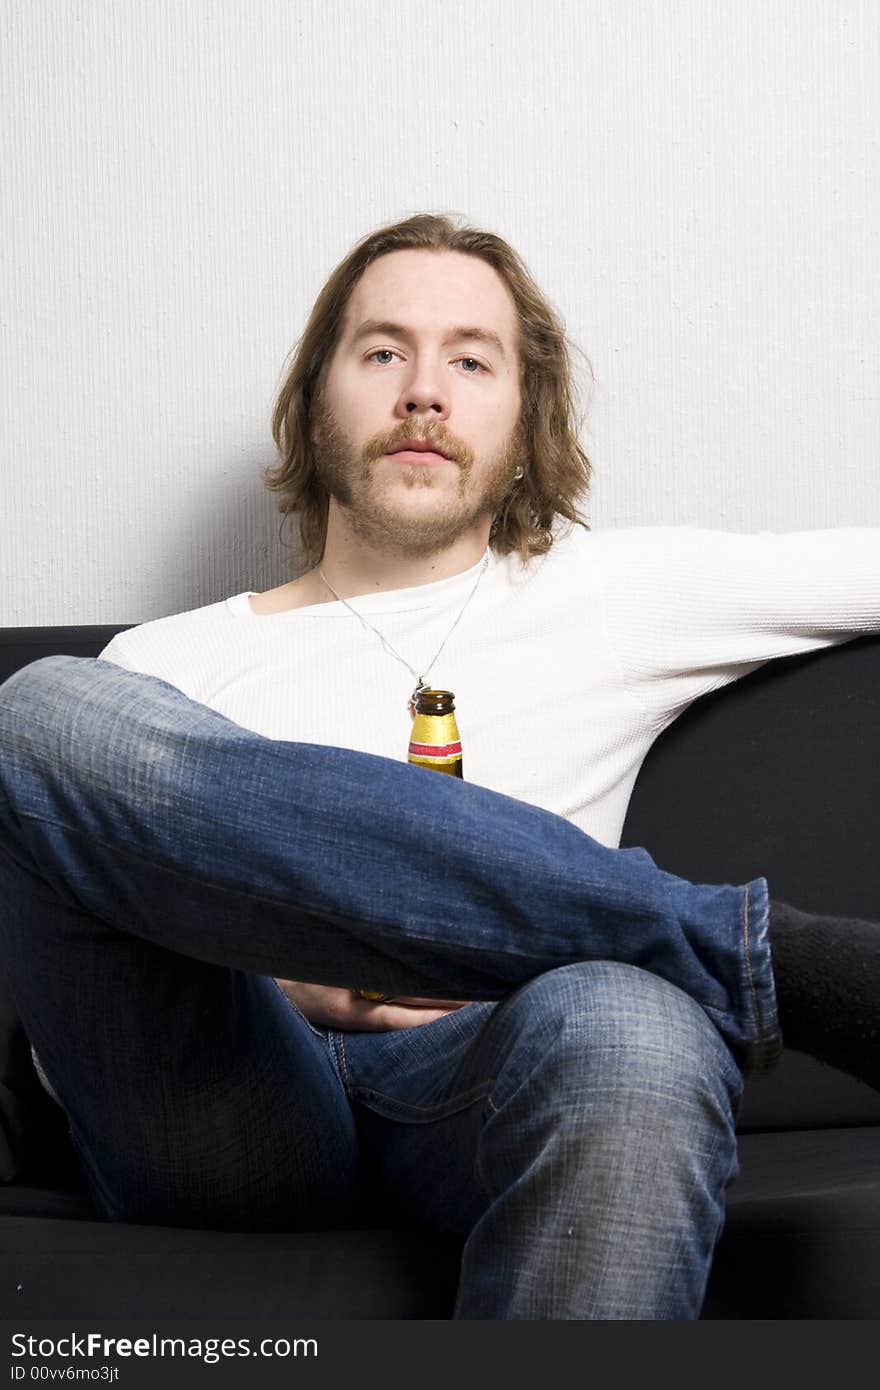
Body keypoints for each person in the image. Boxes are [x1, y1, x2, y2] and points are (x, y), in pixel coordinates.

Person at [1, 212, 878, 1321]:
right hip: (230, 1097)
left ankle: (719, 960)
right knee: (42, 710)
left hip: (492, 1076)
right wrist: (264, 952)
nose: (424, 390)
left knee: (635, 1021)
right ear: (317, 400)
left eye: (471, 359)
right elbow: (72, 1031)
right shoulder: (160, 667)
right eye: (382, 352)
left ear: (523, 419)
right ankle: (768, 958)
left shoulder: (608, 593)